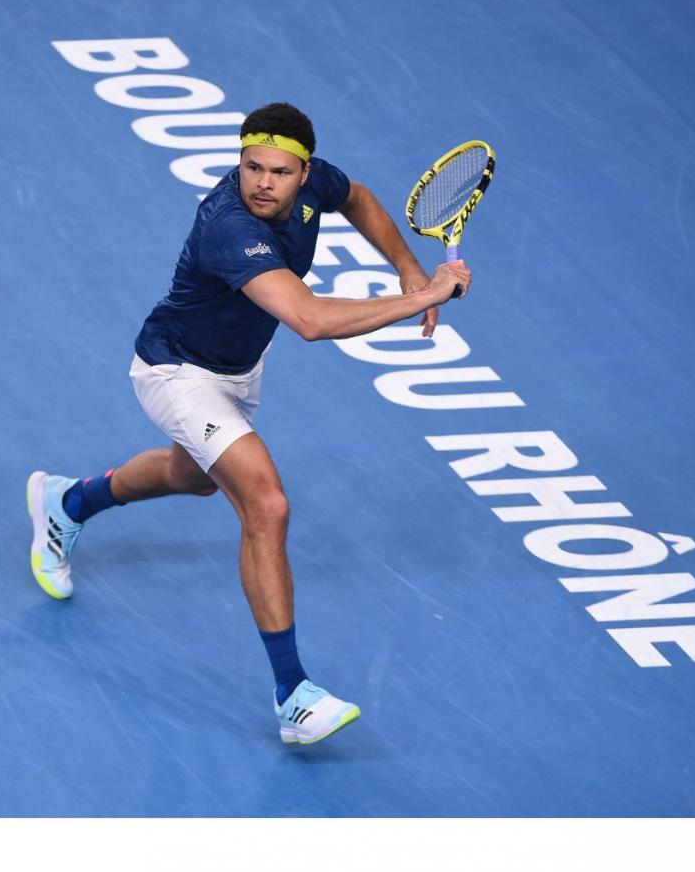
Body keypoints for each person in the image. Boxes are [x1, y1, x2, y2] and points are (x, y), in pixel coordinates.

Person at [26, 102, 471, 745]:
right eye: (251, 167)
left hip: (238, 368)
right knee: (266, 503)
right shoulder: (230, 227)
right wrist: (421, 296)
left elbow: (361, 198)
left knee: (195, 475)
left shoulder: (317, 182)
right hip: (177, 370)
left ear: (304, 171)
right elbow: (311, 321)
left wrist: (404, 262)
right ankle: (294, 696)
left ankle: (65, 503)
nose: (263, 182)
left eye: (280, 172)